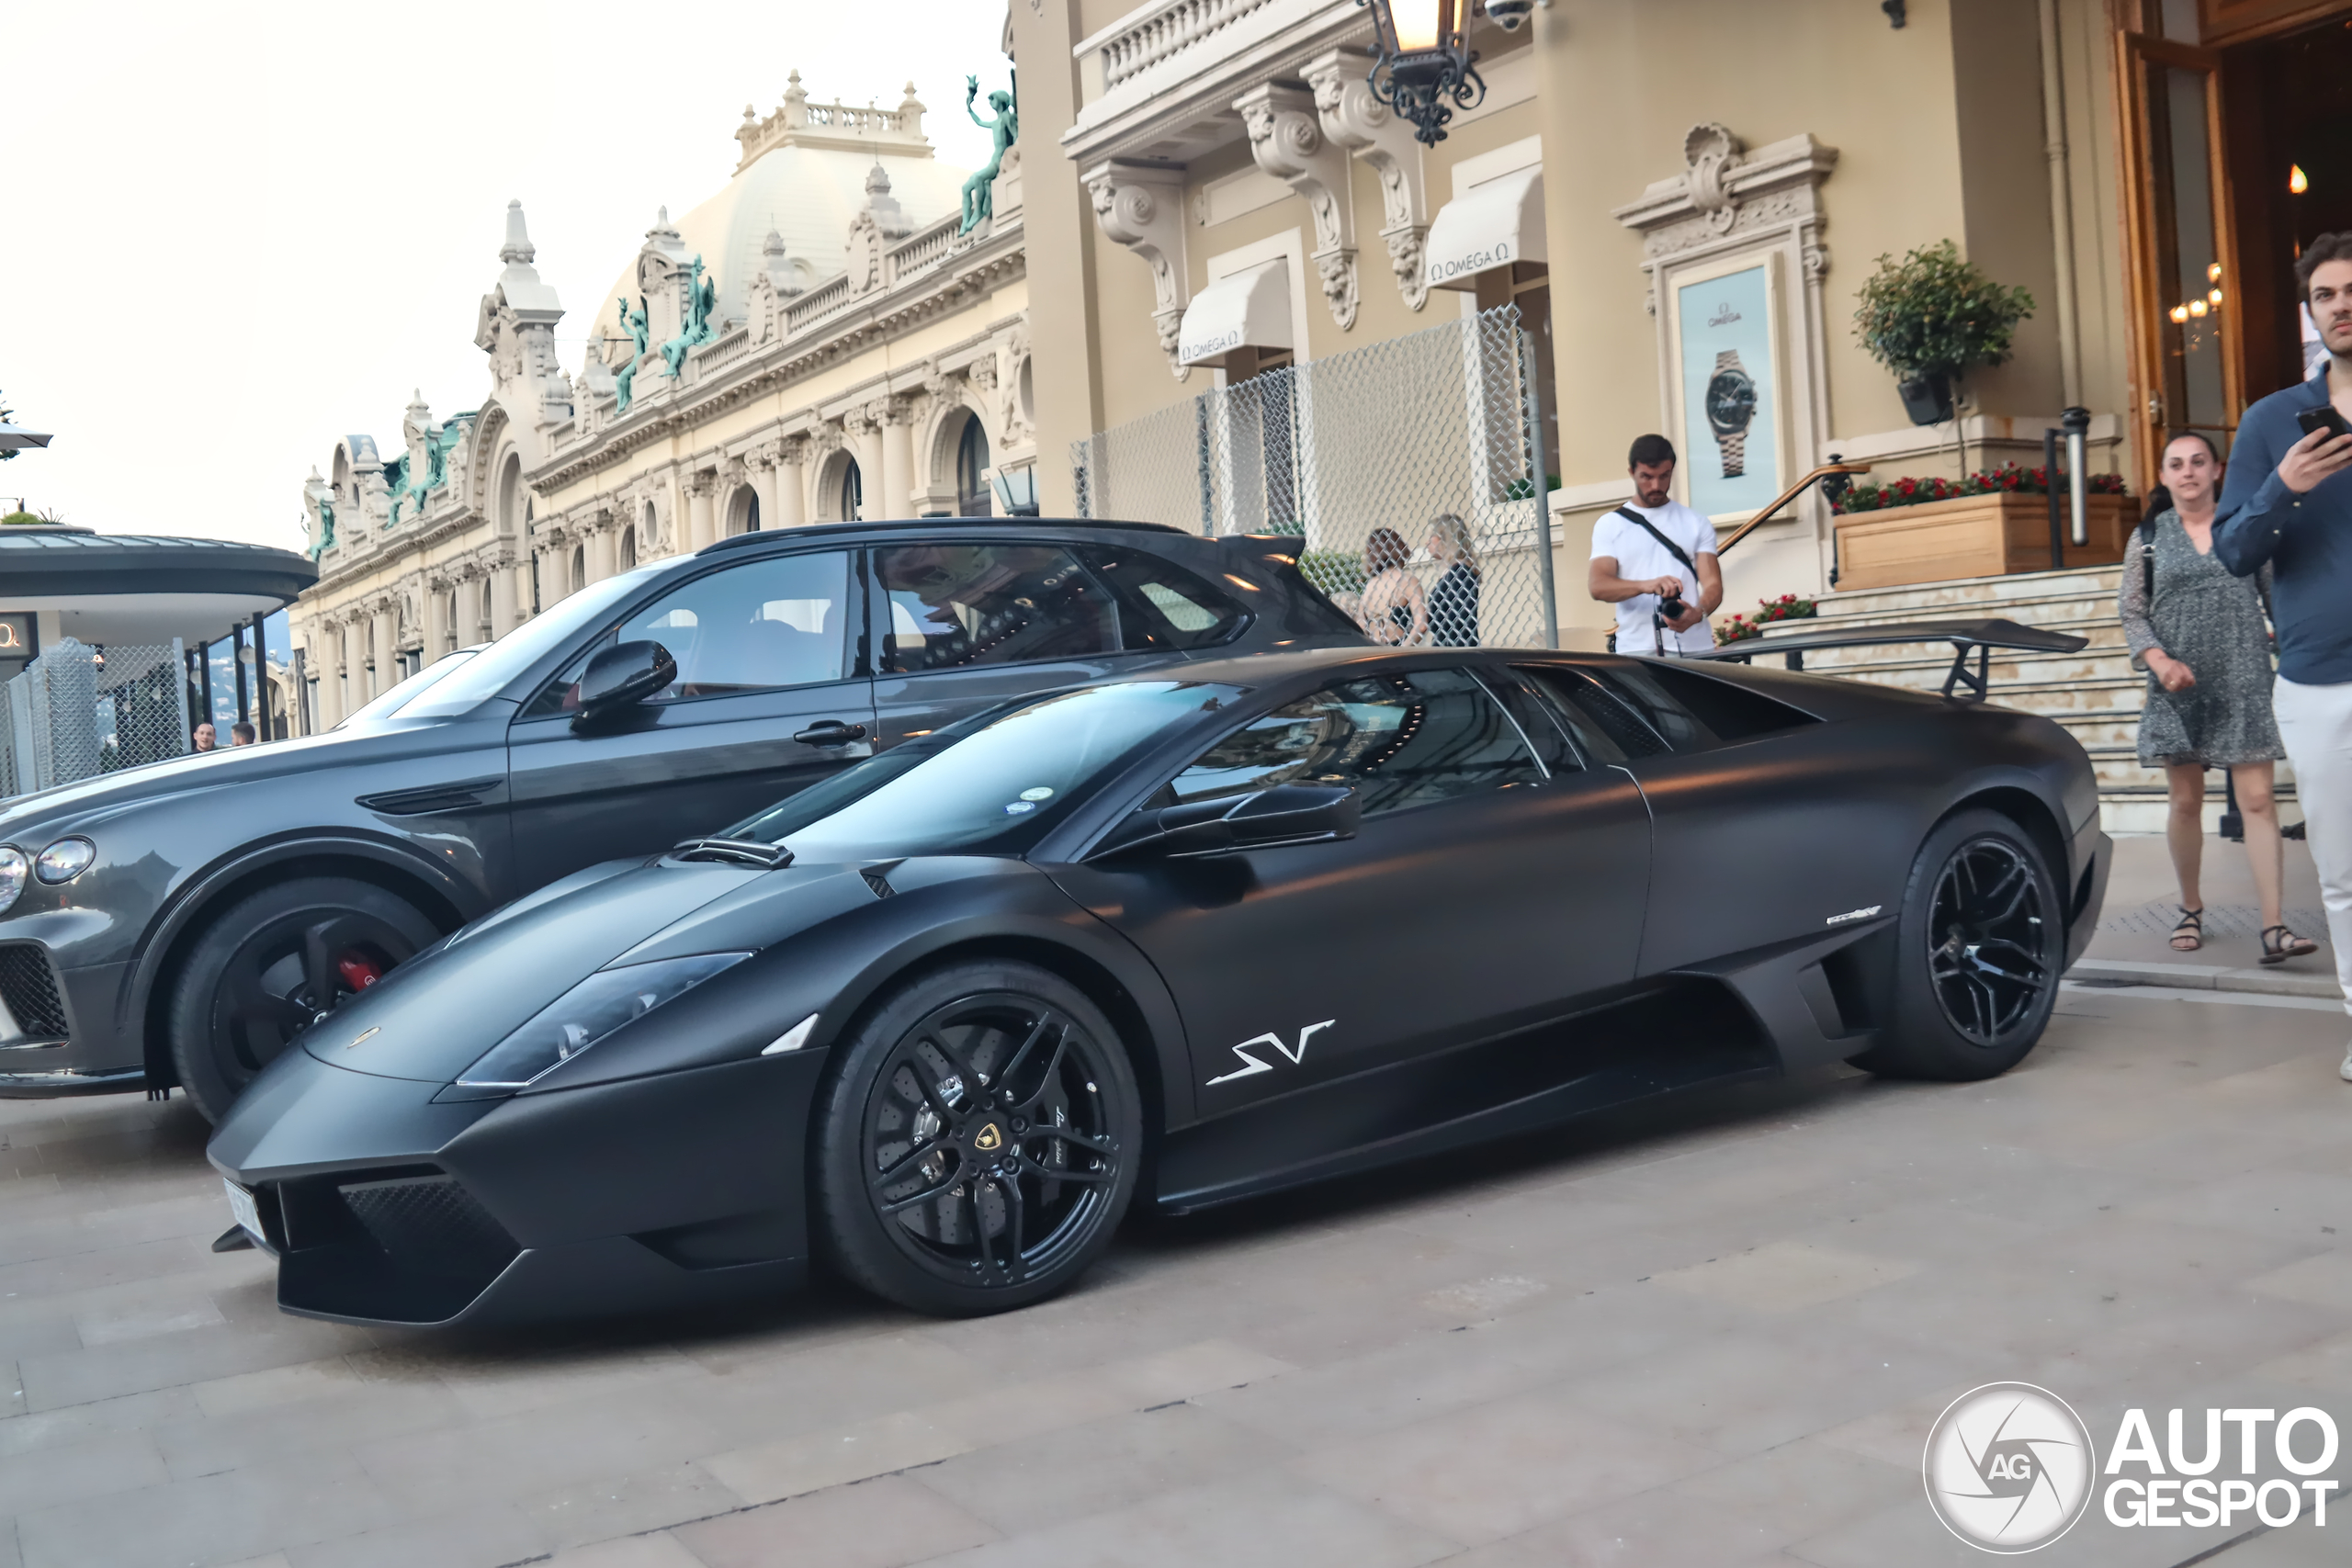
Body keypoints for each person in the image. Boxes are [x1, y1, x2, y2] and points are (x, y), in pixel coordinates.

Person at [2213, 231, 2352, 1076]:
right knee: (2342, 868)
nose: (2344, 303)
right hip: (2320, 678)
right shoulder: (2273, 422)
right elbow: (2232, 548)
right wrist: (2283, 487)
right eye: (2328, 294)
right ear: (2312, 313)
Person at [2120, 433, 2316, 964]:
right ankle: (2189, 908)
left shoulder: (2245, 529)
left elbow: (2279, 601)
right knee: (2185, 802)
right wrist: (2160, 663)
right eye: (2176, 464)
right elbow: (2133, 614)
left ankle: (2274, 927)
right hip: (2176, 684)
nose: (2188, 472)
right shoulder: (2148, 538)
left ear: (2218, 470)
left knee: (2257, 802)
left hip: (2244, 676)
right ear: (2163, 476)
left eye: (2198, 462)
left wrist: (2295, 643)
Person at [1588, 434, 1722, 655]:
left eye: (1664, 476)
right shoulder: (1610, 524)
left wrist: (1698, 612)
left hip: (1696, 646)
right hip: (1637, 648)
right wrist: (1646, 586)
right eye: (1646, 477)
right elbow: (1598, 586)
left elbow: (1714, 585)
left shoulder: (1696, 522)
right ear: (1631, 472)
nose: (1656, 485)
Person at [1356, 526, 1427, 646]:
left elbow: (1361, 625)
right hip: (1397, 647)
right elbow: (1422, 625)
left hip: (1374, 651)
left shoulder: (1370, 585)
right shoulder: (1408, 581)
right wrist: (1403, 650)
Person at [1426, 513, 1482, 648]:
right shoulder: (1452, 571)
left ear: (1445, 538)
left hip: (1455, 650)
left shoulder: (1460, 571)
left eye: (1431, 537)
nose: (1426, 543)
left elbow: (1460, 619)